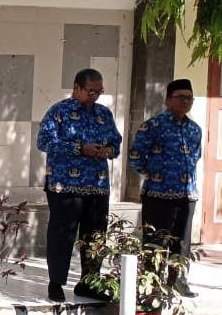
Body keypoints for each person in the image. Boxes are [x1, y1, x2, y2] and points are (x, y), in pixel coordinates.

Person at [37, 68, 121, 302]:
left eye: (99, 92)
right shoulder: (59, 111)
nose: (95, 96)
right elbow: (44, 141)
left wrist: (108, 150)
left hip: (97, 185)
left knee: (96, 236)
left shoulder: (104, 114)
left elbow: (116, 143)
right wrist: (79, 149)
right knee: (62, 235)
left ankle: (89, 282)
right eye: (91, 91)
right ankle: (56, 283)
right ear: (76, 88)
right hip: (65, 185)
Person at [129, 79, 201, 297]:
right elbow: (136, 156)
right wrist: (154, 174)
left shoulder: (194, 129)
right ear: (168, 100)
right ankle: (151, 284)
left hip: (186, 195)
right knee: (155, 240)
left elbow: (196, 156)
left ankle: (178, 280)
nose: (185, 101)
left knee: (182, 242)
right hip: (157, 194)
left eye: (189, 98)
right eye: (180, 97)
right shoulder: (153, 126)